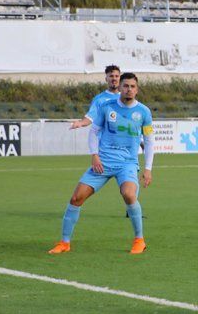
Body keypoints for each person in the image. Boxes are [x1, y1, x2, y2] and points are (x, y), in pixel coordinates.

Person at [48, 73, 154, 255]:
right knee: (76, 198)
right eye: (126, 86)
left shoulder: (143, 112)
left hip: (127, 163)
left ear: (137, 89)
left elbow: (149, 141)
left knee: (129, 195)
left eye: (132, 86)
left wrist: (148, 169)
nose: (129, 89)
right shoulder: (106, 107)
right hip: (103, 162)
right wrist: (94, 156)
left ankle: (139, 240)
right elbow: (94, 132)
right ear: (119, 88)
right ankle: (64, 243)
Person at [69, 65, 122, 129]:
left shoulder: (126, 98)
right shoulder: (99, 99)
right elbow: (91, 117)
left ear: (120, 78)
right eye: (111, 76)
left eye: (116, 76)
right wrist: (81, 123)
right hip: (104, 137)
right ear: (106, 79)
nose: (114, 79)